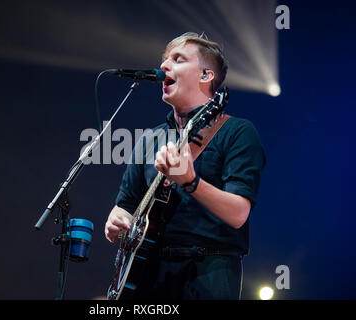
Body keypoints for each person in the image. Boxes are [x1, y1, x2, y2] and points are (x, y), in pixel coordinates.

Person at [104, 32, 266, 300]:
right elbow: (126, 204)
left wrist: (191, 182)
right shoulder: (149, 139)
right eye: (165, 59)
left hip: (208, 273)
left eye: (177, 60)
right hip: (147, 275)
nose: (164, 66)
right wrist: (115, 221)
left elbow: (239, 213)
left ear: (205, 76)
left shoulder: (237, 131)